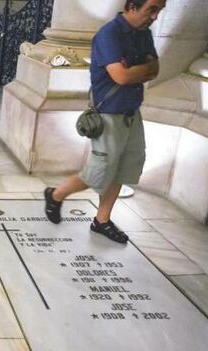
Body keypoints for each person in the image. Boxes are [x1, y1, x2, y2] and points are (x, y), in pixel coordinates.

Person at [44, 0, 165, 243]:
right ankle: (56, 195)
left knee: (123, 169)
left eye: (159, 10)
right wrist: (139, 70)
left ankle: (102, 220)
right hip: (108, 115)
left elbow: (156, 69)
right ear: (132, 6)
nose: (155, 15)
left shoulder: (144, 34)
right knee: (96, 174)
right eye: (151, 9)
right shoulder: (109, 34)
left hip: (132, 112)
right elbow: (121, 76)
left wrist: (135, 71)